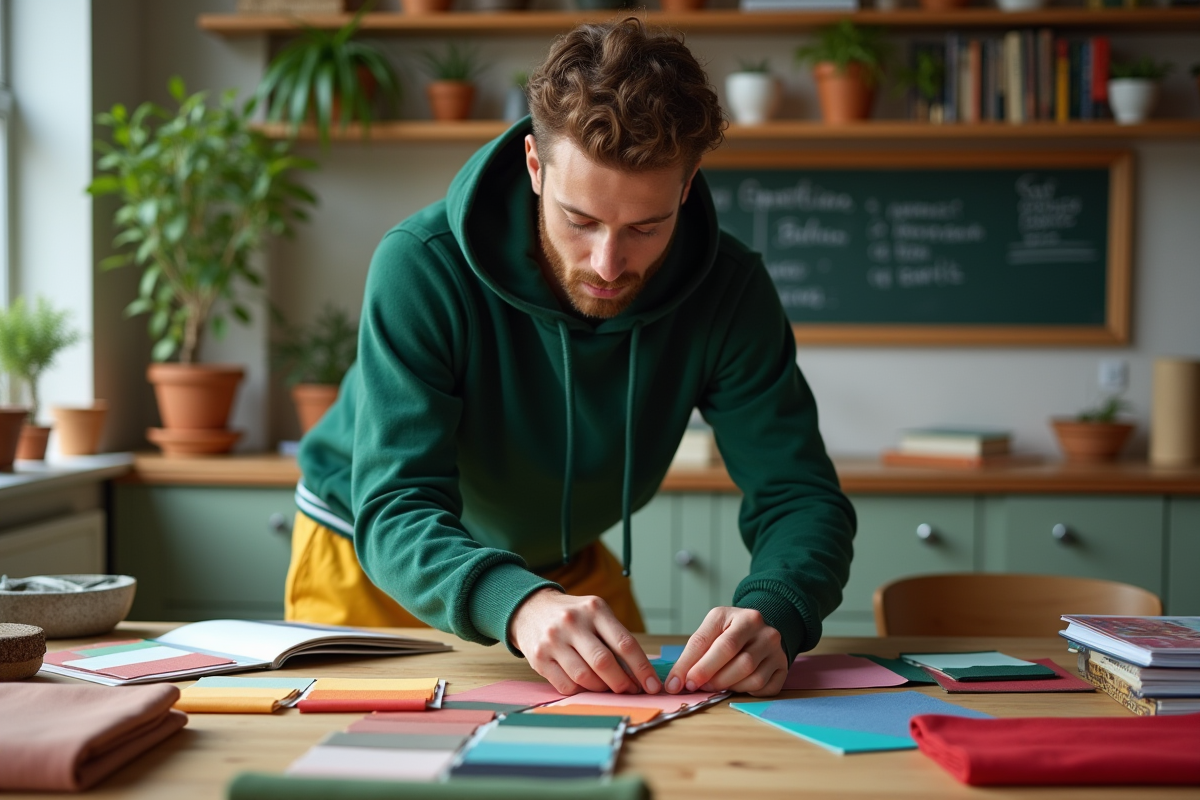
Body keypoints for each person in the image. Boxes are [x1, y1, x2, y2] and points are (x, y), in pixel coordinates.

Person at [285, 18, 856, 699]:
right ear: (534, 164)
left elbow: (799, 494)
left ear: (686, 184)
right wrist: (518, 606)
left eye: (645, 227)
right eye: (579, 220)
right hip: (375, 551)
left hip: (559, 565)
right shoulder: (421, 265)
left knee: (653, 728)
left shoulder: (730, 290)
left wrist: (779, 609)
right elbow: (399, 501)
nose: (608, 265)